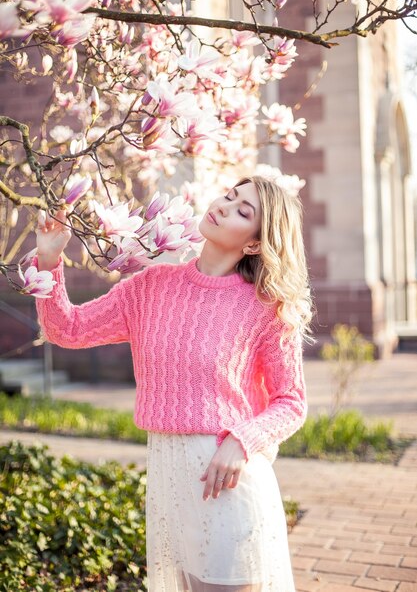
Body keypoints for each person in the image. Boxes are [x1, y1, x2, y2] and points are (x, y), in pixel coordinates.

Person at [34, 173, 313, 592]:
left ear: (254, 243)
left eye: (242, 210)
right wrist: (49, 262)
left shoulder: (265, 308)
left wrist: (242, 440)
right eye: (228, 195)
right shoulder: (150, 287)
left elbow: (291, 401)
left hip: (230, 482)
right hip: (169, 482)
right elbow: (67, 330)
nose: (223, 205)